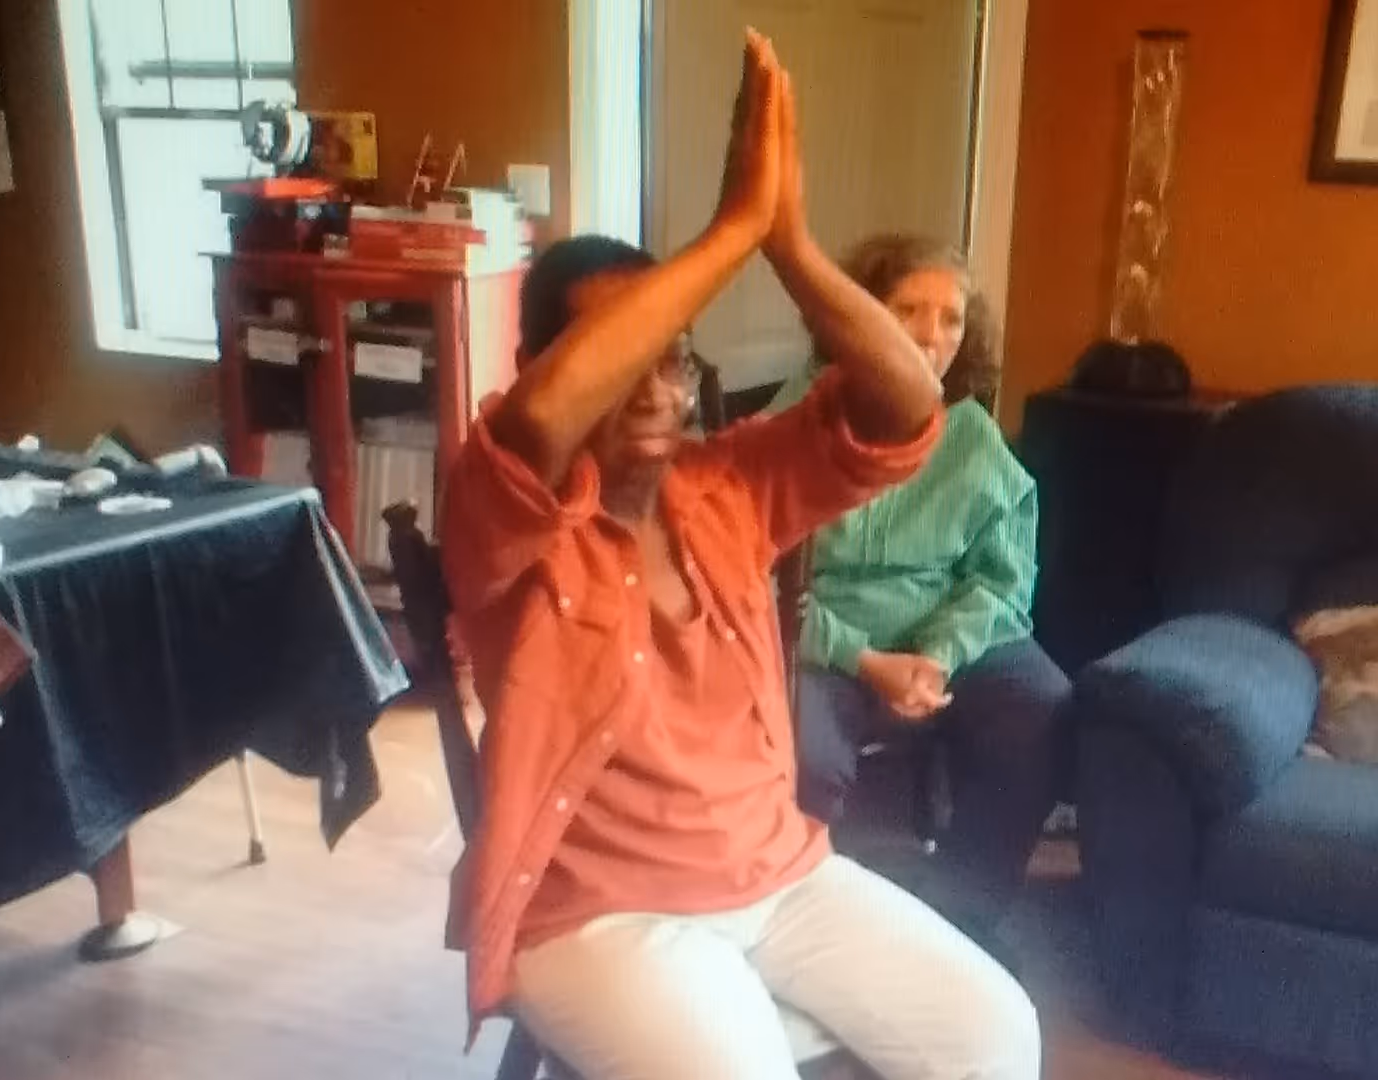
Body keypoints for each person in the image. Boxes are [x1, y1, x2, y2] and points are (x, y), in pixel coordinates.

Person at [439, 30, 1041, 1080]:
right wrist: (725, 233)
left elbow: (908, 409)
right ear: (543, 366)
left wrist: (788, 243)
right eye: (616, 354)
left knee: (996, 1035)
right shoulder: (503, 516)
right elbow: (535, 433)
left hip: (779, 876)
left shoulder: (730, 483)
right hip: (598, 916)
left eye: (669, 356)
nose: (653, 387)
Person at [766, 234, 1071, 958]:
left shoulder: (972, 437)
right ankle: (805, 930)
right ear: (857, 312)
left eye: (951, 320)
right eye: (908, 311)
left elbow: (1002, 579)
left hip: (943, 636)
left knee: (1043, 710)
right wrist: (865, 660)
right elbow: (751, 580)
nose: (932, 338)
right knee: (798, 752)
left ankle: (958, 916)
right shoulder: (793, 421)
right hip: (819, 640)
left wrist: (936, 654)